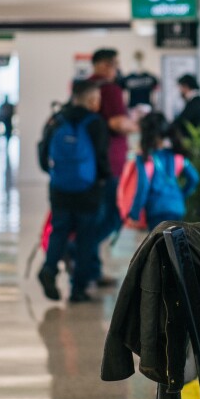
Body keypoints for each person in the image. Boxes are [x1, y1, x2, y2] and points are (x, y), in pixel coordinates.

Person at [37, 80, 111, 303]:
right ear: (90, 100)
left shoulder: (55, 120)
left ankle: (49, 269)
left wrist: (55, 175)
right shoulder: (95, 123)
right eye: (97, 99)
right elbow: (101, 159)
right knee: (86, 238)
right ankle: (78, 289)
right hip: (88, 191)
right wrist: (103, 181)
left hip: (60, 188)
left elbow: (42, 155)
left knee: (59, 231)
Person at [88, 48, 138, 287]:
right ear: (107, 65)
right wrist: (135, 123)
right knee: (116, 215)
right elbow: (118, 123)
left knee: (96, 216)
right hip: (111, 162)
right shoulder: (110, 90)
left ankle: (91, 268)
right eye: (115, 65)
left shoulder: (85, 87)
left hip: (90, 164)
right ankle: (81, 251)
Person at [120, 112, 200, 231]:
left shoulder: (145, 158)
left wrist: (134, 213)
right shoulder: (177, 155)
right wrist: (180, 195)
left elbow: (143, 185)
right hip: (176, 208)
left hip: (156, 210)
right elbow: (194, 178)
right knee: (173, 245)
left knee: (160, 246)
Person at [169, 74, 200, 143]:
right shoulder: (199, 102)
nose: (180, 91)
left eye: (181, 88)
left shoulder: (194, 104)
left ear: (186, 87)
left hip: (192, 145)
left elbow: (181, 121)